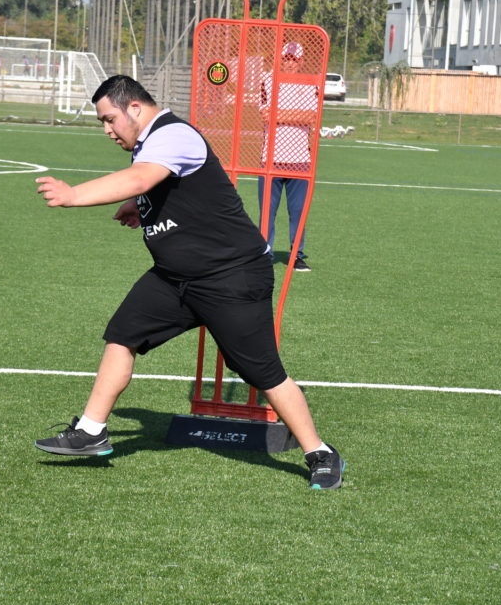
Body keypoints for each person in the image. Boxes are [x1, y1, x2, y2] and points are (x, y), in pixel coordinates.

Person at [33, 75, 345, 490]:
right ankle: (91, 432)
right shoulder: (150, 142)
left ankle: (320, 453)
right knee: (122, 336)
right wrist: (140, 206)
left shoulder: (173, 134)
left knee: (262, 372)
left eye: (109, 119)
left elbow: (141, 178)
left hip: (230, 276)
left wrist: (74, 195)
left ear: (135, 108)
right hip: (174, 277)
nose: (107, 130)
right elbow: (165, 186)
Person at [257, 42, 318, 272]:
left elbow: (311, 117)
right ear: (280, 59)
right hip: (271, 158)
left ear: (301, 61)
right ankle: (265, 254)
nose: (290, 63)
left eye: (294, 59)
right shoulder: (268, 80)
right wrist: (295, 114)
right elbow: (265, 115)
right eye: (286, 58)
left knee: (298, 211)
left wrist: (280, 114)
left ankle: (296, 256)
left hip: (300, 160)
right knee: (267, 212)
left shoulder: (310, 83)